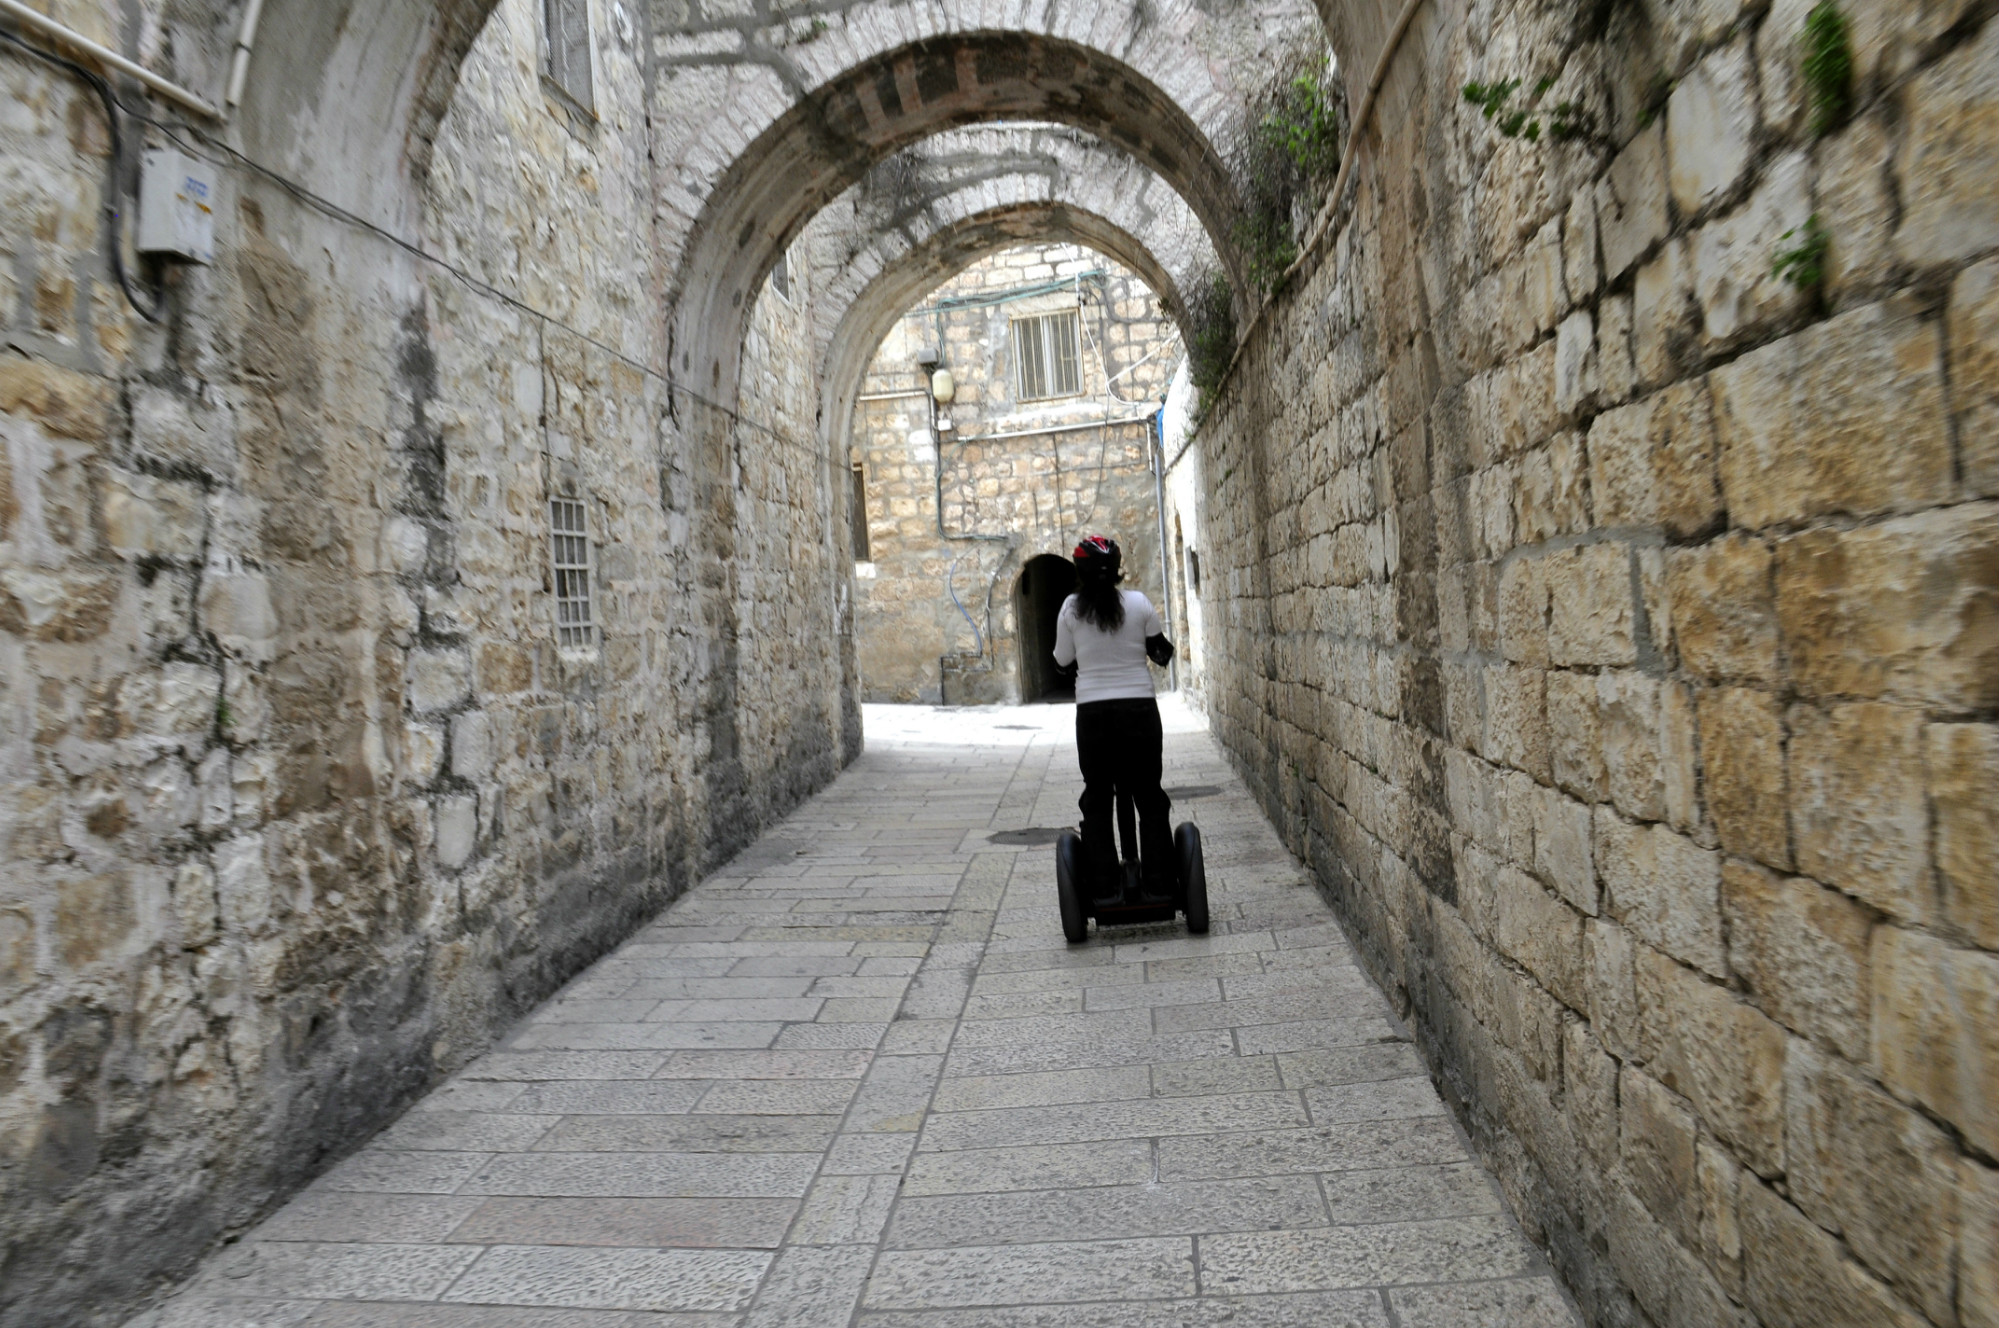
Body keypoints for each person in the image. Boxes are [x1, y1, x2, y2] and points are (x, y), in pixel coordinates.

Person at [1051, 535, 1177, 899]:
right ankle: (1160, 883)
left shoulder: (1070, 609)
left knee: (1098, 795)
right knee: (1149, 794)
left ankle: (1104, 886)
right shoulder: (1138, 603)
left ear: (1079, 572)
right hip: (1139, 710)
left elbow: (1061, 662)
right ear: (1119, 568)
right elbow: (1161, 654)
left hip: (1094, 715)